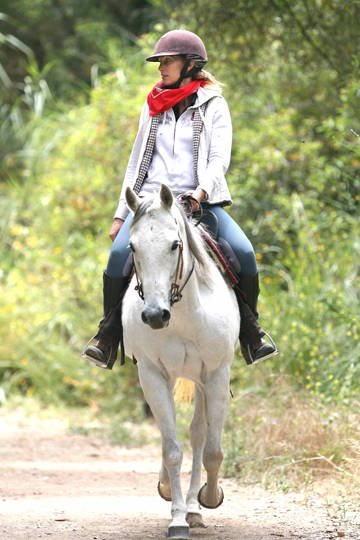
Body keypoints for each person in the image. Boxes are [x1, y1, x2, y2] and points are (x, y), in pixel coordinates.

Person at [82, 29, 278, 370]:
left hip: (199, 201)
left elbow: (219, 159)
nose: (161, 67)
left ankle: (251, 332)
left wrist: (200, 191)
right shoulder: (154, 104)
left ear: (191, 64)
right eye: (160, 61)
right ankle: (109, 334)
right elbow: (135, 161)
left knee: (244, 253)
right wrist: (119, 215)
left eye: (167, 61)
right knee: (116, 259)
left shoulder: (213, 104)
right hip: (148, 204)